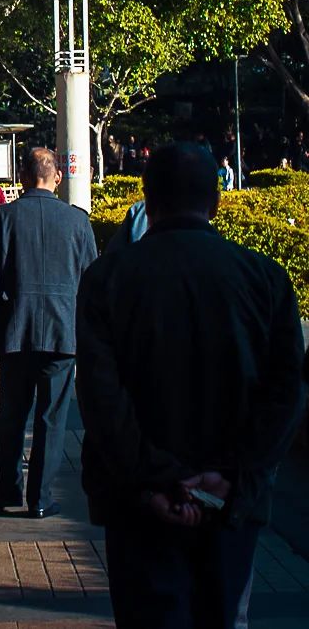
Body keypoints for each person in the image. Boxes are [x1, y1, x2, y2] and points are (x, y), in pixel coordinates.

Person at [76, 143, 305, 629]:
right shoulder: (266, 279)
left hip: (139, 506)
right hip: (231, 504)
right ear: (216, 202)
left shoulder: (107, 280)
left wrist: (155, 480)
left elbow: (101, 398)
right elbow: (286, 394)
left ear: (147, 201)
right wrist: (232, 477)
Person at [0, 146, 97, 518]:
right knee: (51, 419)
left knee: (12, 416)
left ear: (22, 176)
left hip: (15, 332)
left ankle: (8, 492)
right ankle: (40, 498)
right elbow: (91, 283)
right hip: (63, 335)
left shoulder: (5, 218)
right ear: (57, 177)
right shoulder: (78, 222)